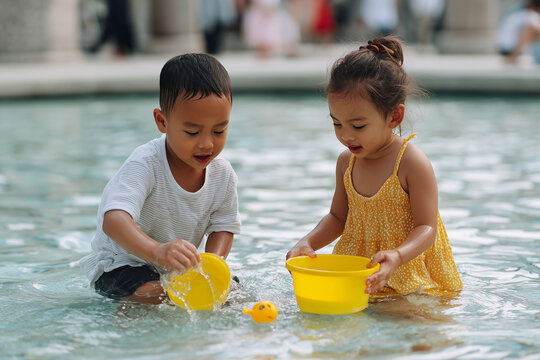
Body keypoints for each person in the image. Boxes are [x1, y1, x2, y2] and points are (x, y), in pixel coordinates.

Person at [286, 36, 462, 297]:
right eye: (337, 124)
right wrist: (307, 242)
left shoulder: (410, 163)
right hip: (360, 269)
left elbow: (427, 227)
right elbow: (337, 217)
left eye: (358, 126)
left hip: (406, 270)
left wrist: (397, 255)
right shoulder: (346, 162)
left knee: (414, 322)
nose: (347, 136)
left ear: (394, 116)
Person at [79, 54, 241, 304]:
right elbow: (113, 220)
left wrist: (213, 266)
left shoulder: (223, 174)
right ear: (162, 121)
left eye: (219, 131)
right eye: (192, 132)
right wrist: (157, 251)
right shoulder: (145, 164)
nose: (207, 143)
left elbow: (223, 226)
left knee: (233, 294)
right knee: (156, 295)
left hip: (172, 269)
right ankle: (128, 326)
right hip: (120, 264)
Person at [497, 0, 540, 65]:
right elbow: (526, 33)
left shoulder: (517, 14)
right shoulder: (532, 16)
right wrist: (513, 56)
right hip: (513, 52)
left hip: (504, 49)